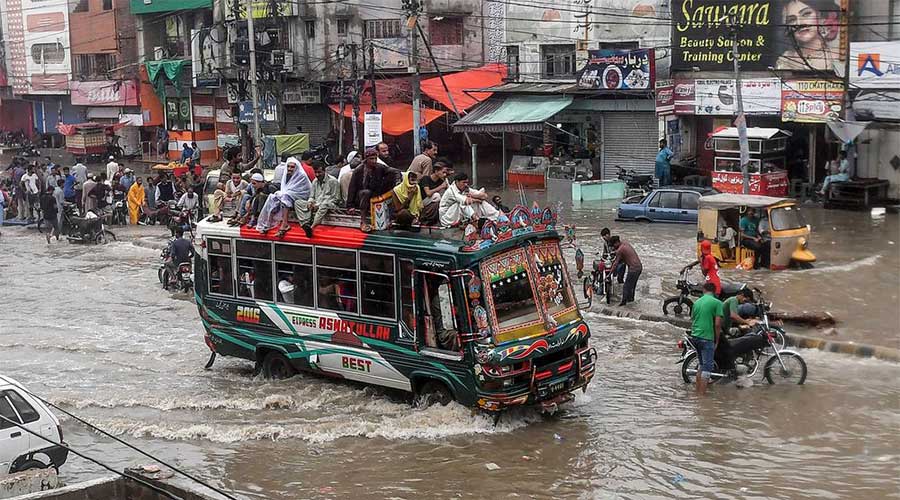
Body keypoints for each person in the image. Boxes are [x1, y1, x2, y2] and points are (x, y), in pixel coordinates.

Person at [776, 0, 843, 74]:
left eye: (806, 14)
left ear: (821, 17)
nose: (799, 23)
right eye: (792, 19)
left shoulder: (837, 57)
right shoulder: (786, 60)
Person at [346, 147, 402, 232]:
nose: (374, 161)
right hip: (362, 197)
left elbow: (395, 171)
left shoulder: (379, 167)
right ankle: (363, 222)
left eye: (375, 158)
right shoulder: (359, 170)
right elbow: (352, 188)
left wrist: (397, 183)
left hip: (375, 193)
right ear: (366, 159)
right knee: (366, 192)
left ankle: (390, 218)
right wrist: (350, 206)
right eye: (371, 159)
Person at [256, 158, 311, 236]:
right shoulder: (286, 175)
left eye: (292, 167)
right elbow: (285, 188)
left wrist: (285, 194)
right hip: (289, 194)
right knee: (273, 196)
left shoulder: (301, 175)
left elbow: (300, 189)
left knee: (285, 197)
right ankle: (268, 223)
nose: (289, 169)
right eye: (288, 166)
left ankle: (285, 224)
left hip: (300, 196)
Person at [690, 282, 723, 395]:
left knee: (701, 365)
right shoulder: (717, 303)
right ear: (714, 291)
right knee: (707, 368)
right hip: (707, 337)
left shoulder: (697, 302)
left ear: (704, 290)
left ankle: (697, 393)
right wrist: (717, 340)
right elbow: (718, 324)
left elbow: (693, 319)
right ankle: (702, 397)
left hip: (695, 336)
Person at [296, 161, 342, 238]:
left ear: (324, 171)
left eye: (319, 172)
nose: (317, 174)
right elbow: (312, 196)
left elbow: (336, 199)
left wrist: (318, 205)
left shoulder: (333, 181)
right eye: (316, 172)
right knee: (298, 202)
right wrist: (310, 202)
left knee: (324, 205)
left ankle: (311, 227)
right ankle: (305, 223)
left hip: (330, 206)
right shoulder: (314, 181)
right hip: (316, 205)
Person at [609, 236, 642, 306]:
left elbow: (615, 264)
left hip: (633, 269)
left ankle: (623, 303)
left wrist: (609, 273)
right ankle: (630, 300)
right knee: (632, 285)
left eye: (613, 245)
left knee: (626, 286)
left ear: (617, 242)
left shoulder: (620, 250)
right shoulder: (625, 244)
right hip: (639, 267)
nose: (613, 247)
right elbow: (625, 256)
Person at [418, 160, 450, 225]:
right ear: (436, 171)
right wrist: (441, 187)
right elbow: (428, 193)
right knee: (437, 195)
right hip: (421, 201)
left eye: (445, 173)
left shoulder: (441, 180)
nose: (444, 174)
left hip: (432, 201)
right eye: (443, 172)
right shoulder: (426, 179)